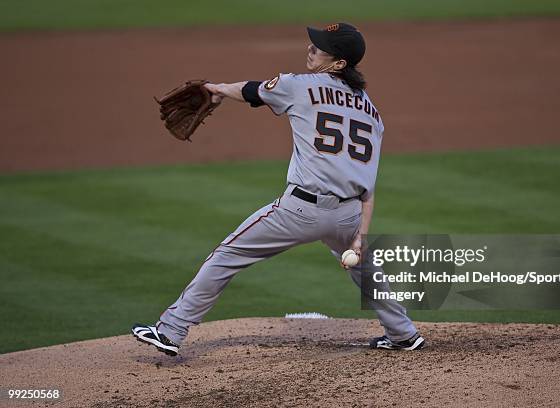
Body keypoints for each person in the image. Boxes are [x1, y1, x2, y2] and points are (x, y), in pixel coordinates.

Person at [132, 23, 424, 355]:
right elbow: (367, 182)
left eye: (320, 47)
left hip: (300, 211)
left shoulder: (299, 85)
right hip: (348, 215)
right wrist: (362, 233)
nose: (311, 48)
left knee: (228, 255)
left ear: (339, 63)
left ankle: (170, 331)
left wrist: (218, 89)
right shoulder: (372, 113)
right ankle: (403, 334)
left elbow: (252, 90)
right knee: (365, 270)